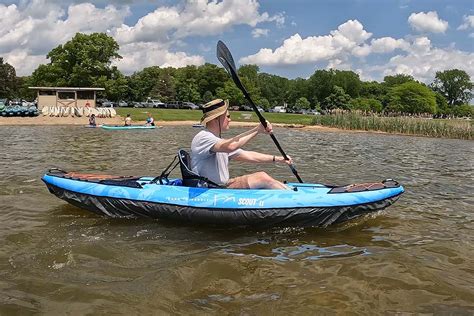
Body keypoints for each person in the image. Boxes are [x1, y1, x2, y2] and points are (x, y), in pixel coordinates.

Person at [191, 99, 292, 190]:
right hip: (210, 190)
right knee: (262, 178)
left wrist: (278, 159)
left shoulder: (218, 142)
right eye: (228, 116)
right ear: (216, 118)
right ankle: (293, 201)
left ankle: (289, 193)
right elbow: (231, 146)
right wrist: (257, 130)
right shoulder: (203, 138)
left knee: (263, 175)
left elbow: (249, 156)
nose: (230, 119)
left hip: (221, 186)